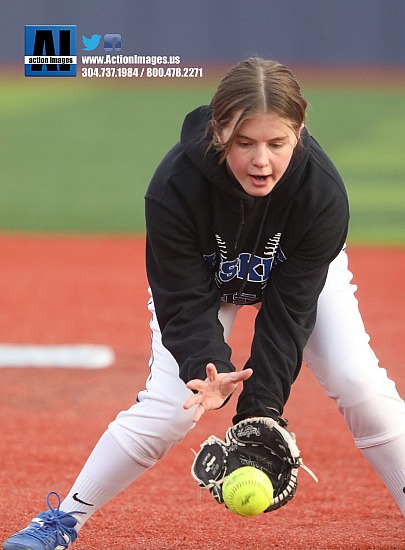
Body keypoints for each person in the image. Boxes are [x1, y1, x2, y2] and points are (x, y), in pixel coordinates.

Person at [4, 57, 405, 549]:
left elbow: (290, 312)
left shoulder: (320, 194)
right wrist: (208, 365)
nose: (262, 160)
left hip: (292, 276)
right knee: (171, 407)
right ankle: (61, 522)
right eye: (245, 143)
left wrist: (261, 412)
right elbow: (183, 301)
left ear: (299, 133)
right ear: (219, 133)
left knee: (358, 381)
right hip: (203, 282)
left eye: (277, 143)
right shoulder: (176, 186)